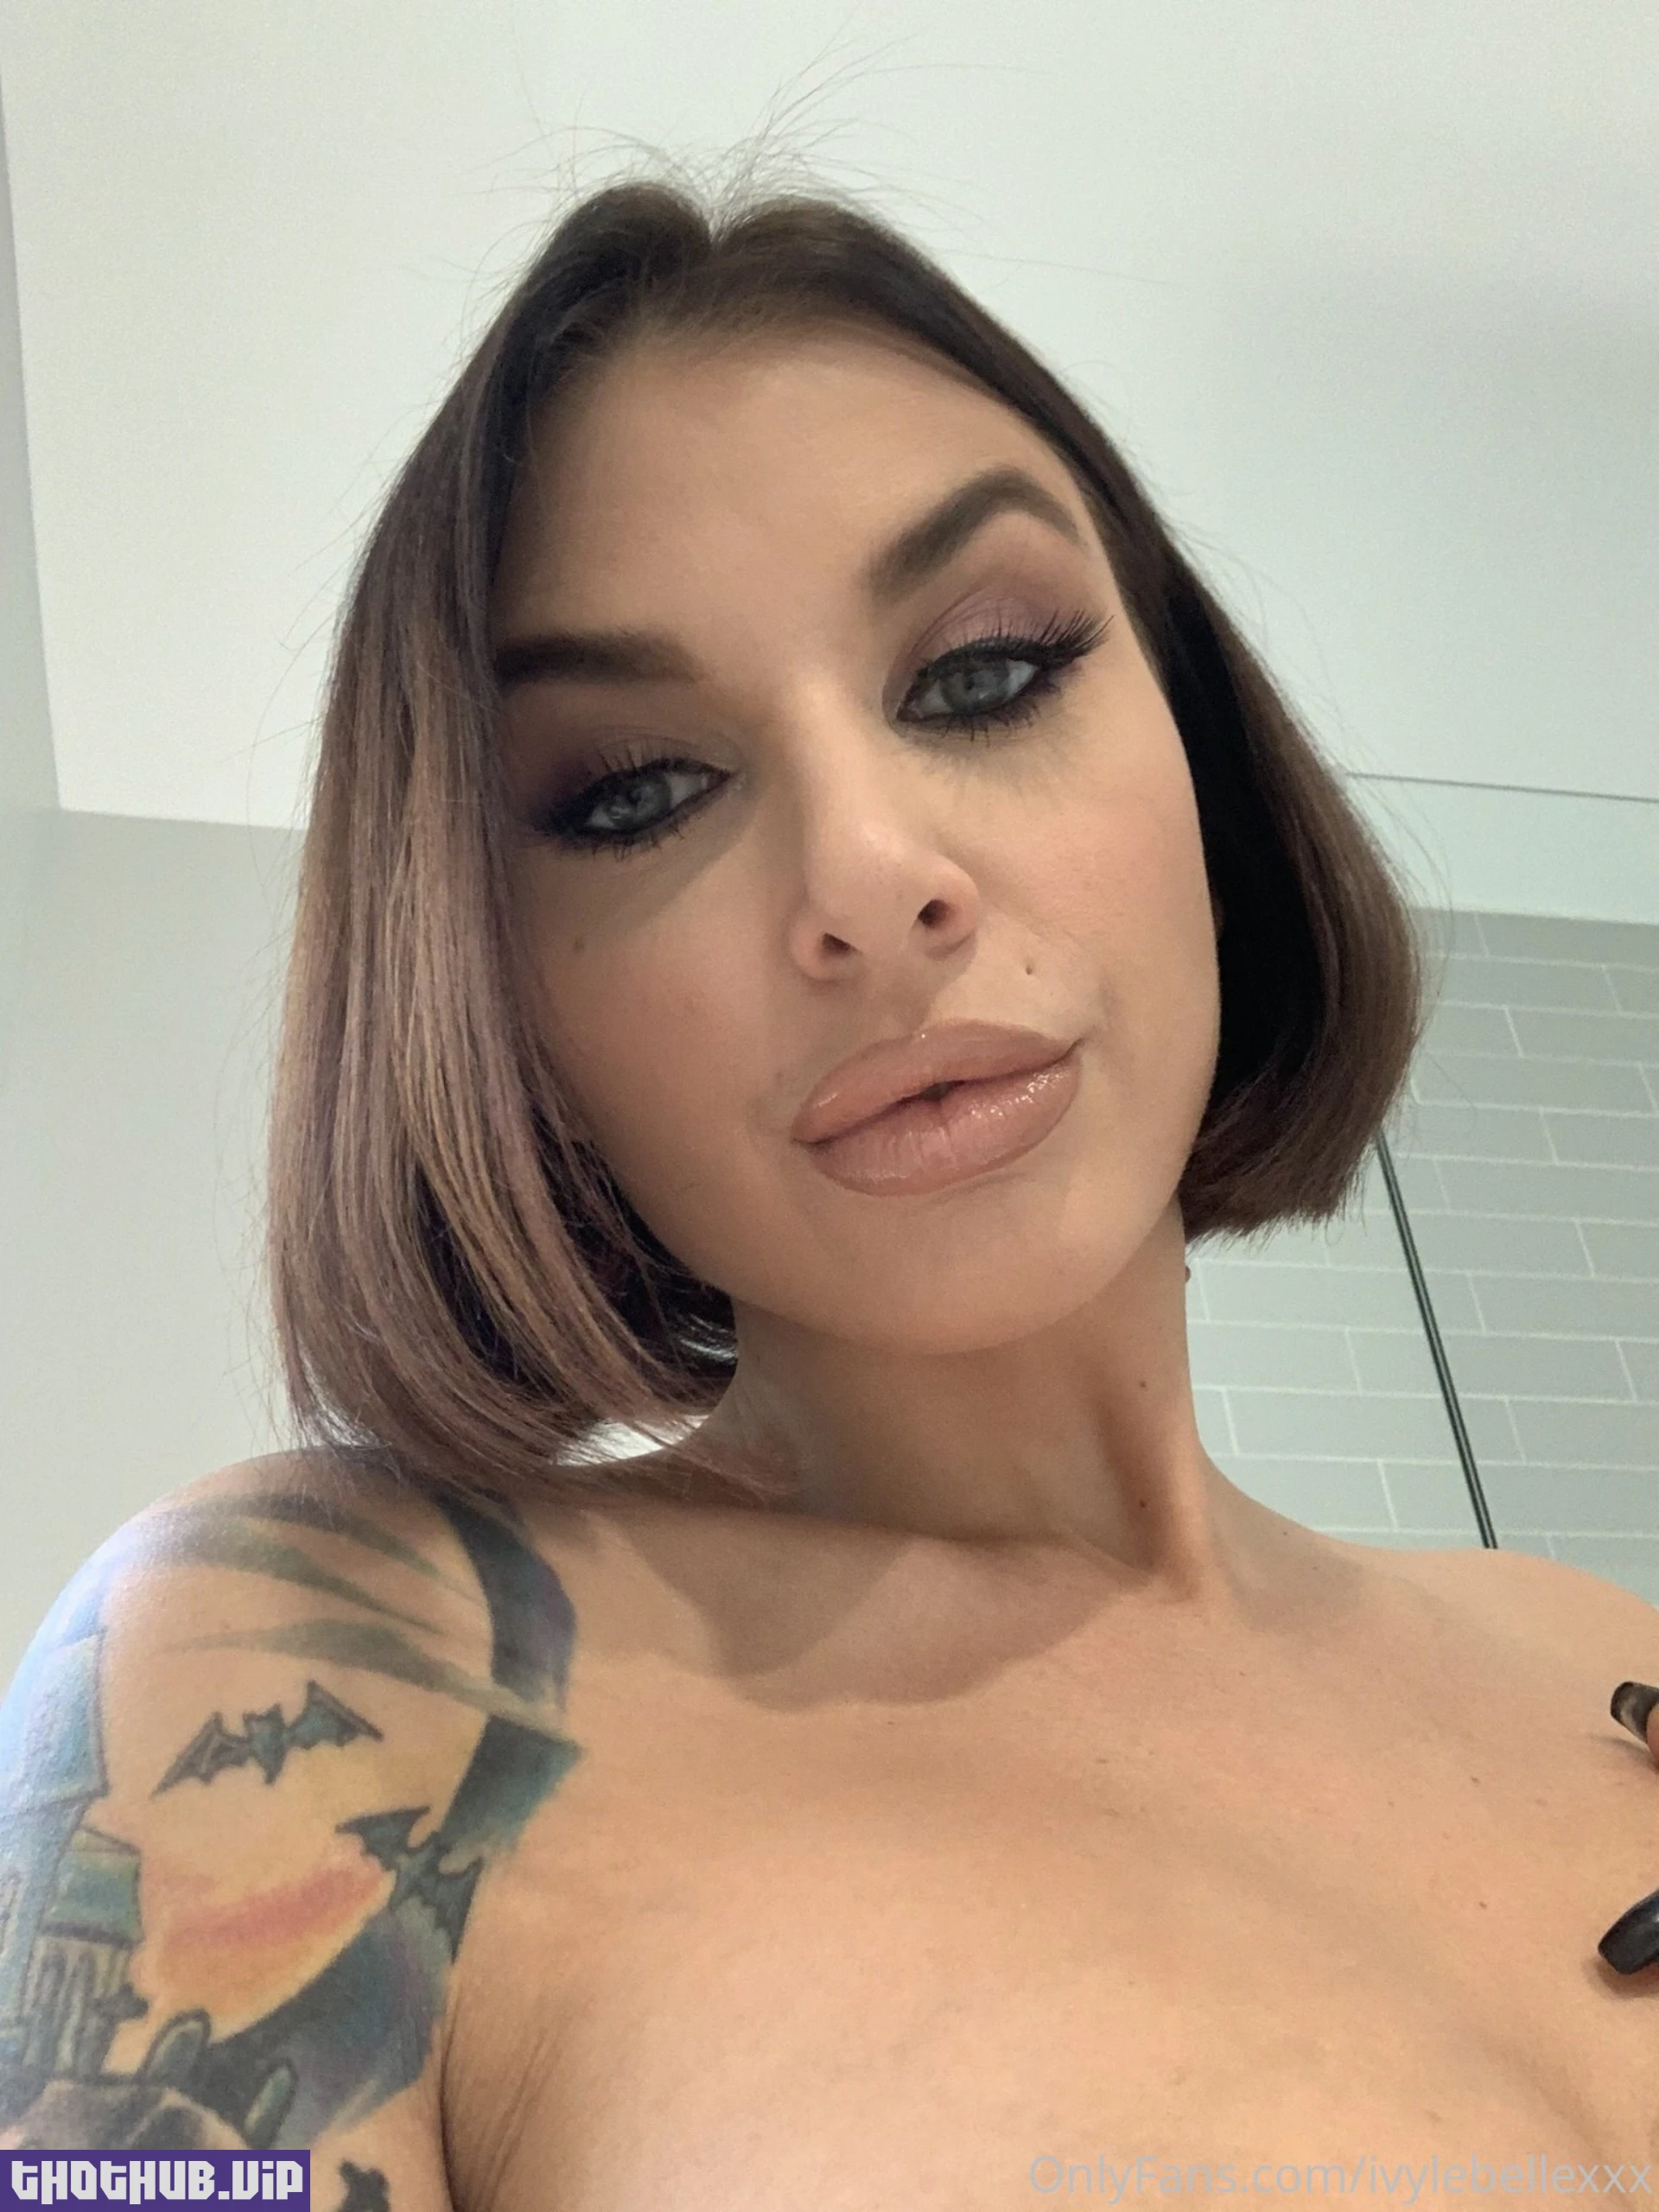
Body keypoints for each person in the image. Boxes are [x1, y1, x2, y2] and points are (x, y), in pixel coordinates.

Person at [4, 174, 1659, 2207]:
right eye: (639, 790)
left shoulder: (1597, 1654)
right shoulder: (326, 1674)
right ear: (499, 994)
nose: (872, 877)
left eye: (985, 673)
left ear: (1203, 758)